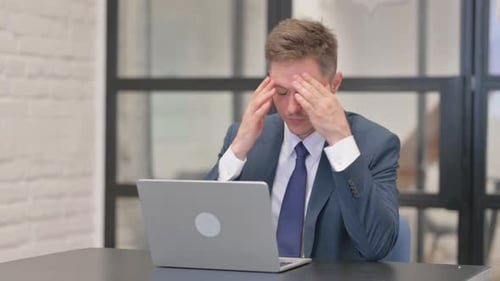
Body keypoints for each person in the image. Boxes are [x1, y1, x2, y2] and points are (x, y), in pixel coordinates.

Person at [205, 19, 400, 261]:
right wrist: (237, 151)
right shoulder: (247, 137)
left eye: (304, 92)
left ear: (334, 84)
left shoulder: (376, 145)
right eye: (282, 92)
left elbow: (376, 245)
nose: (291, 108)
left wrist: (341, 142)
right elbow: (201, 229)